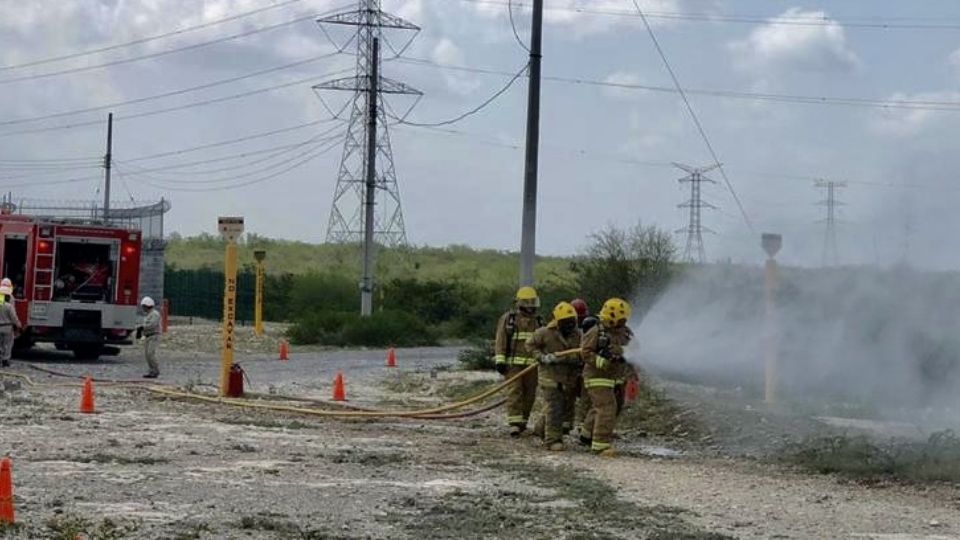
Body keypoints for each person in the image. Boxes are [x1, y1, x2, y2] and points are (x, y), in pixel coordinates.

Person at [580, 298, 634, 457]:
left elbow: (635, 351)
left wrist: (631, 370)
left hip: (615, 378)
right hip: (596, 377)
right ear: (611, 317)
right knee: (606, 407)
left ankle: (586, 434)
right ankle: (600, 444)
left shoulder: (626, 333)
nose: (623, 322)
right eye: (621, 319)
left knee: (611, 405)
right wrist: (601, 360)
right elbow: (585, 352)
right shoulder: (596, 331)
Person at [526, 302, 583, 451]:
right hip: (550, 378)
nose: (570, 325)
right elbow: (530, 345)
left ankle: (540, 428)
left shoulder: (579, 335)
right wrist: (542, 357)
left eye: (572, 321)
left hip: (569, 379)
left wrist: (575, 359)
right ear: (558, 321)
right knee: (555, 408)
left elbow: (583, 352)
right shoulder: (544, 333)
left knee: (560, 407)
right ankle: (552, 440)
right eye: (566, 322)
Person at [493, 286, 542, 437]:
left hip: (532, 366)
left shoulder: (539, 321)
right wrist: (500, 360)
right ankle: (514, 424)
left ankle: (523, 422)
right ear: (520, 303)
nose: (531, 305)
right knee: (515, 392)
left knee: (530, 394)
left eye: (533, 302)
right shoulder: (509, 319)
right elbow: (501, 340)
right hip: (513, 364)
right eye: (528, 302)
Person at [136, 297, 161, 378]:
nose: (143, 308)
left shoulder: (154, 314)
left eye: (143, 306)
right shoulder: (149, 315)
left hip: (153, 335)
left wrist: (143, 327)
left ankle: (155, 370)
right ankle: (151, 371)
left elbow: (152, 325)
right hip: (148, 336)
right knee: (147, 355)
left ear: (147, 306)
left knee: (150, 354)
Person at [0, 279, 22, 368]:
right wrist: (19, 325)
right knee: (8, 345)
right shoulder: (10, 301)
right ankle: (5, 361)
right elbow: (14, 316)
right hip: (8, 328)